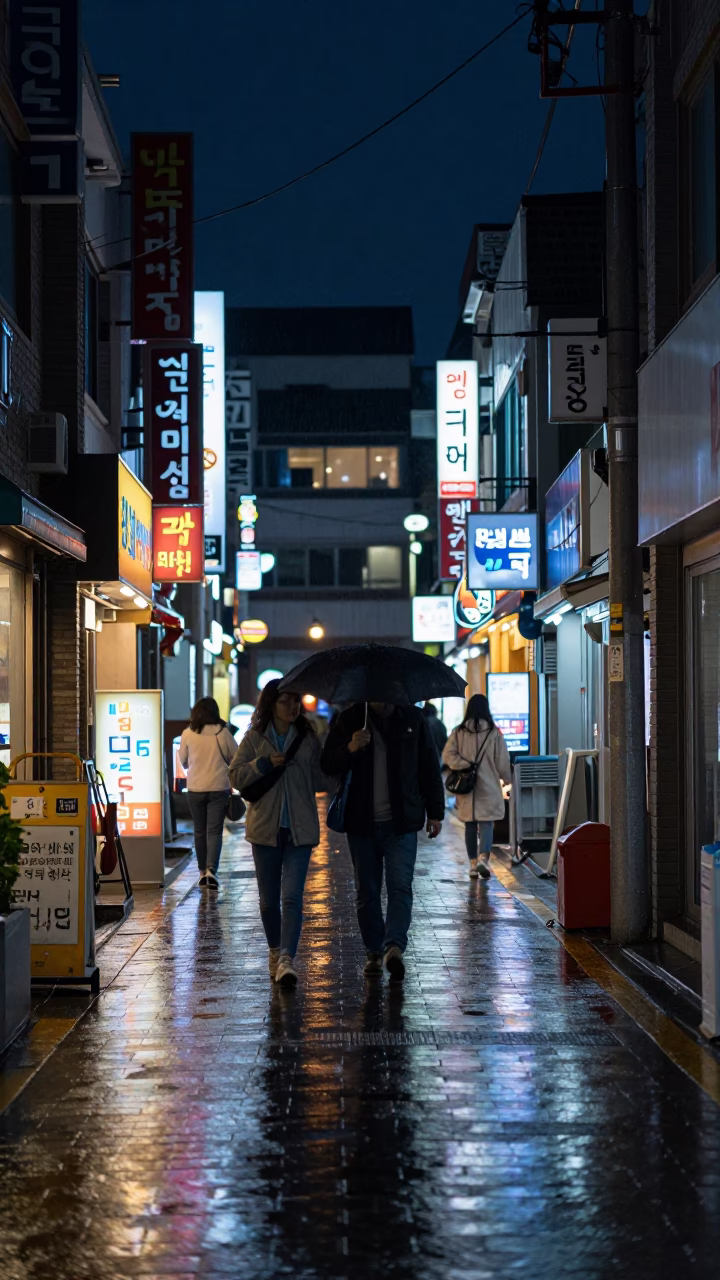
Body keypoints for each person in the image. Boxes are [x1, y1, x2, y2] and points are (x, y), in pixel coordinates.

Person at [321, 701, 444, 982]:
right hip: (361, 823)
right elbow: (327, 763)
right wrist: (351, 748)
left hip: (401, 823)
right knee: (367, 891)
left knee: (401, 885)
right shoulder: (351, 719)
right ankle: (374, 951)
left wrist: (435, 812)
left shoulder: (412, 718)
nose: (380, 698)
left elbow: (428, 764)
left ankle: (394, 947)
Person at [229, 679, 334, 988]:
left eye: (295, 701)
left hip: (300, 828)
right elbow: (235, 775)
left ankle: (287, 958)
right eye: (285, 701)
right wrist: (263, 764)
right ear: (271, 704)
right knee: (267, 901)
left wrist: (344, 754)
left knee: (291, 897)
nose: (292, 706)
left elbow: (321, 779)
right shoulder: (255, 738)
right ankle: (275, 949)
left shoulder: (308, 737)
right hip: (265, 829)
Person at [442, 693, 511, 880]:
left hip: (467, 787)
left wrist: (463, 764)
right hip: (488, 786)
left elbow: (448, 756)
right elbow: (502, 761)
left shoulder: (459, 732)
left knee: (470, 825)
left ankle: (472, 865)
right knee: (487, 823)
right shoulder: (494, 733)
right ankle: (483, 859)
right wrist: (507, 779)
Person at [178, 698, 238, 890]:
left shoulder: (188, 733)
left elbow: (184, 761)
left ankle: (202, 871)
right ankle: (212, 870)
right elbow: (235, 758)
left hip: (195, 788)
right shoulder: (223, 733)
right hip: (219, 787)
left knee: (199, 830)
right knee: (214, 831)